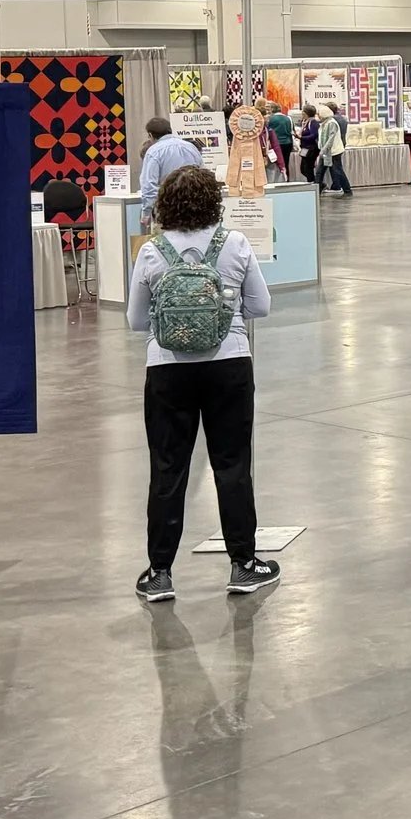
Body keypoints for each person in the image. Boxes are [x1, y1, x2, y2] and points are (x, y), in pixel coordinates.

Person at [125, 166, 276, 601]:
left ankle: (159, 573)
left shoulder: (151, 252)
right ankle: (244, 565)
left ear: (165, 202)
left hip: (166, 369)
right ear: (214, 200)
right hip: (228, 365)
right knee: (231, 465)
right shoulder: (234, 243)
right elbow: (260, 307)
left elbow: (136, 321)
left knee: (168, 468)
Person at [135, 116, 203, 219]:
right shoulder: (191, 147)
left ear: (150, 135)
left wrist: (147, 212)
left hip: (167, 209)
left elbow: (148, 186)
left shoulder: (153, 152)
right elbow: (203, 176)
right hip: (193, 206)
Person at [316, 103, 352, 198]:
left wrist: (323, 150)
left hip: (333, 151)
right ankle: (317, 189)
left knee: (338, 171)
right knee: (320, 171)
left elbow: (330, 139)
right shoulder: (324, 123)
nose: (318, 116)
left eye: (319, 114)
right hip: (327, 151)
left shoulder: (331, 123)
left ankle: (347, 189)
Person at [262, 100, 297, 182]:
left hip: (277, 144)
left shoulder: (270, 119)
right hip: (287, 143)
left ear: (272, 110)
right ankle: (286, 179)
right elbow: (292, 131)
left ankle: (276, 179)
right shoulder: (288, 118)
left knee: (275, 164)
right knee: (286, 162)